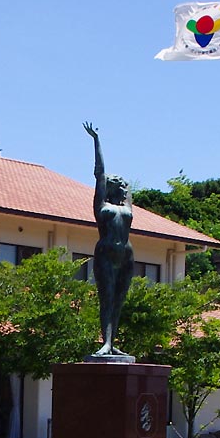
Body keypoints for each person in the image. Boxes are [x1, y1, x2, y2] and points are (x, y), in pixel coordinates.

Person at [83, 122, 134, 358]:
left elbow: (127, 189)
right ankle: (106, 342)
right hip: (105, 252)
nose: (125, 189)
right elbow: (100, 173)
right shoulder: (101, 206)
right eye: (121, 186)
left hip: (126, 254)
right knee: (107, 297)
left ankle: (113, 343)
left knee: (119, 300)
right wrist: (96, 140)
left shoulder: (127, 206)